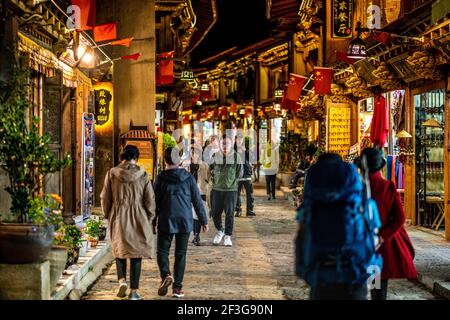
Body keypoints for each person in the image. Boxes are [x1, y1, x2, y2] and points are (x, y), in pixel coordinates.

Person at [295, 153, 382, 300]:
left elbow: (301, 239)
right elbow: (374, 234)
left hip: (320, 279)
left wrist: (308, 273)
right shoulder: (363, 204)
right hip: (354, 279)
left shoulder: (310, 206)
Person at [355, 148, 417, 300]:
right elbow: (400, 219)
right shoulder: (388, 187)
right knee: (378, 290)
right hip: (380, 248)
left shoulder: (355, 189)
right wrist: (382, 237)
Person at [100, 145, 156, 300]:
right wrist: (150, 217)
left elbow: (105, 197)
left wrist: (107, 214)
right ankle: (134, 292)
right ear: (136, 158)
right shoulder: (143, 174)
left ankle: (121, 281)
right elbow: (150, 200)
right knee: (136, 254)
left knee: (120, 250)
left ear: (122, 157)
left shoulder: (112, 173)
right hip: (138, 216)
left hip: (118, 215)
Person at [153, 147, 208, 298]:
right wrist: (203, 220)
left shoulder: (161, 178)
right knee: (181, 254)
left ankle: (166, 275)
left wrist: (152, 221)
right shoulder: (189, 177)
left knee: (162, 251)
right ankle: (177, 289)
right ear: (180, 160)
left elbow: (154, 202)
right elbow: (197, 200)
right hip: (184, 219)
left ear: (165, 160)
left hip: (166, 218)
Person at [209, 134, 243, 246]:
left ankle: (228, 235)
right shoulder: (215, 156)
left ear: (231, 144)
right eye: (222, 143)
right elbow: (211, 169)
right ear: (219, 144)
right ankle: (220, 230)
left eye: (227, 143)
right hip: (216, 189)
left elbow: (240, 172)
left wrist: (232, 181)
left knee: (229, 213)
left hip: (231, 190)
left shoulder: (236, 157)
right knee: (214, 212)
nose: (224, 146)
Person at [188, 145, 209, 245]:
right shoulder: (187, 166)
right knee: (192, 214)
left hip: (201, 192)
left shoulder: (204, 166)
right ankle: (195, 234)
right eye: (192, 153)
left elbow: (209, 178)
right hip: (189, 193)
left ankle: (196, 235)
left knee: (197, 214)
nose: (193, 155)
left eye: (195, 153)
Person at [235, 134, 255, 217]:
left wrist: (246, 151)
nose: (239, 141)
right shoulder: (233, 150)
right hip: (237, 175)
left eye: (240, 140)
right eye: (238, 140)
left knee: (249, 194)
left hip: (246, 174)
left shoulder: (246, 149)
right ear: (235, 140)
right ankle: (238, 210)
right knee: (236, 194)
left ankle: (249, 210)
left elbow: (252, 158)